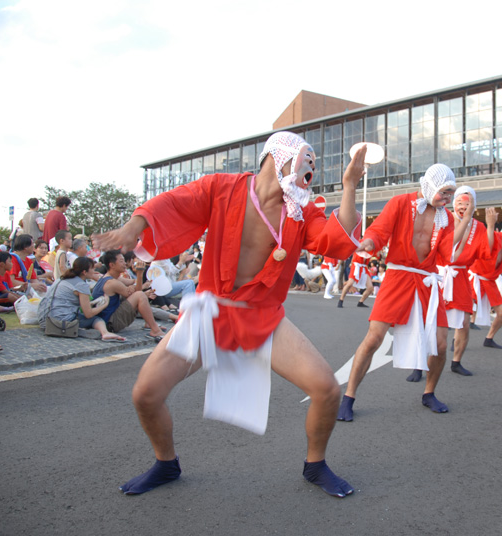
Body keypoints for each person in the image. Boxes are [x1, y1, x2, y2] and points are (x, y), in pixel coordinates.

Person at [93, 131, 364, 498]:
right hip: (210, 310)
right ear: (278, 155)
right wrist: (133, 227)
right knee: (145, 393)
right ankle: (165, 463)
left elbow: (336, 240)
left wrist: (349, 186)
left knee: (327, 389)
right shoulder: (222, 187)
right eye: (306, 156)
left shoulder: (300, 209)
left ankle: (316, 466)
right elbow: (173, 203)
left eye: (313, 162)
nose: (310, 165)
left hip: (262, 315)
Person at [337, 163, 465, 421]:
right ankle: (348, 396)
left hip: (427, 280)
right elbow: (379, 231)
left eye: (451, 193)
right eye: (444, 192)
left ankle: (429, 393)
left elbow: (447, 254)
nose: (448, 198)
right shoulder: (399, 203)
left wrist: (465, 220)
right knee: (374, 338)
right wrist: (369, 242)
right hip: (397, 276)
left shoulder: (447, 218)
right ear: (429, 186)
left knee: (440, 344)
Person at [438, 186, 496, 377]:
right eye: (459, 203)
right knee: (432, 322)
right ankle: (420, 365)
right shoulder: (443, 217)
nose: (463, 207)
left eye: (467, 204)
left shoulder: (477, 226)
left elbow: (487, 252)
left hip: (461, 276)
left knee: (463, 323)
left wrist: (490, 226)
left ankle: (456, 361)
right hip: (438, 275)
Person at [467, 221, 502, 349]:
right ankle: (457, 339)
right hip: (476, 277)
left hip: (490, 281)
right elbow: (484, 248)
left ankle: (489, 338)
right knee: (465, 311)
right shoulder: (494, 236)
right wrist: (490, 225)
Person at [41, 257, 126, 342]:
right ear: (84, 272)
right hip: (62, 320)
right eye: (92, 268)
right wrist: (105, 305)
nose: (94, 270)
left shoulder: (62, 279)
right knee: (96, 319)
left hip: (46, 318)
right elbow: (88, 314)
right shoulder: (81, 285)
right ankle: (105, 333)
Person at [91, 250, 168, 341]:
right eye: (121, 261)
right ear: (112, 265)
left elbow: (133, 283)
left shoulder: (110, 278)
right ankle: (155, 330)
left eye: (124, 260)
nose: (125, 263)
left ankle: (149, 323)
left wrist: (134, 284)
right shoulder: (112, 283)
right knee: (140, 295)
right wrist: (139, 274)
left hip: (104, 320)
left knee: (139, 294)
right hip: (109, 323)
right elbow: (138, 293)